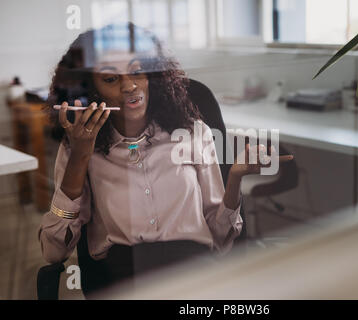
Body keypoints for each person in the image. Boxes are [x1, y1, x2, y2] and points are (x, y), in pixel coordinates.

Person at [38, 22, 293, 295]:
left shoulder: (193, 132)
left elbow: (222, 240)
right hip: (126, 279)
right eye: (112, 79)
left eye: (138, 71)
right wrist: (80, 156)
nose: (130, 86)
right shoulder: (79, 145)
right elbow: (54, 252)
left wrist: (234, 178)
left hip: (194, 273)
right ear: (91, 89)